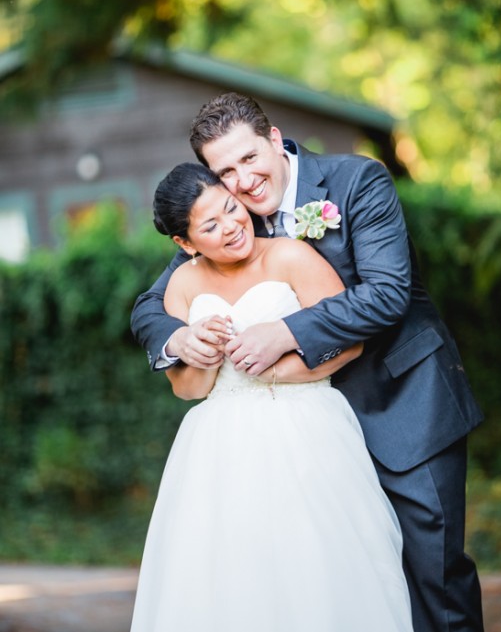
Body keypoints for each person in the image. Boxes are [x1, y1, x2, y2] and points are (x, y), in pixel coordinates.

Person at [131, 93, 485, 632]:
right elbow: (150, 307)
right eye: (225, 171)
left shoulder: (356, 181)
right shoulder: (226, 216)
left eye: (249, 158)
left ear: (274, 140)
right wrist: (179, 343)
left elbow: (389, 292)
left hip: (403, 403)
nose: (243, 181)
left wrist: (286, 331)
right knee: (342, 583)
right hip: (307, 438)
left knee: (433, 576)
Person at [130, 162, 414, 632]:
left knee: (315, 562)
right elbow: (187, 389)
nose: (231, 226)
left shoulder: (290, 256)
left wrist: (275, 367)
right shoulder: (182, 285)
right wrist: (201, 349)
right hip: (217, 450)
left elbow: (349, 344)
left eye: (230, 207)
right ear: (185, 243)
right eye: (210, 226)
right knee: (231, 573)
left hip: (306, 428)